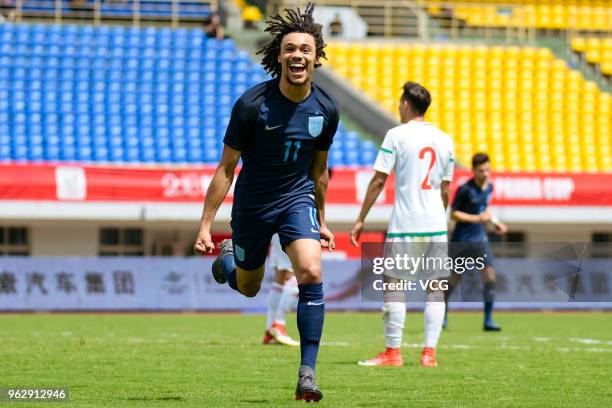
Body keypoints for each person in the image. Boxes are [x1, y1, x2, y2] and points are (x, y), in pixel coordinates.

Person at [193, 3, 338, 403]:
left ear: (315, 57)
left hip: (296, 199)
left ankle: (307, 374)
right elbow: (226, 167)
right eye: (290, 48)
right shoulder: (252, 104)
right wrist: (206, 224)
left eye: (305, 50)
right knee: (249, 287)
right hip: (253, 206)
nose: (297, 55)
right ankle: (228, 262)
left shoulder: (327, 109)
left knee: (310, 270)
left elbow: (320, 171)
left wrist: (322, 220)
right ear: (279, 55)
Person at [350, 82, 455, 368]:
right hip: (435, 224)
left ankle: (393, 353)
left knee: (394, 285)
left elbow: (379, 180)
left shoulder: (396, 135)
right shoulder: (445, 140)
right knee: (435, 288)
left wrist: (361, 219)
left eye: (399, 102)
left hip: (406, 224)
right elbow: (446, 189)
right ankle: (429, 354)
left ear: (406, 104)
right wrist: (439, 217)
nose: (398, 106)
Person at [445, 152, 507, 331]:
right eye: (481, 171)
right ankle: (443, 315)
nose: (485, 174)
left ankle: (488, 320)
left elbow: (484, 210)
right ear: (473, 170)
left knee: (489, 275)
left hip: (480, 239)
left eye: (487, 170)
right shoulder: (465, 189)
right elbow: (453, 213)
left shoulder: (489, 188)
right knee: (454, 279)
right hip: (462, 240)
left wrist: (495, 223)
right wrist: (477, 219)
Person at [263, 233, 300, 347]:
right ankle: (278, 325)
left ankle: (270, 331)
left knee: (281, 278)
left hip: (276, 230)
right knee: (297, 274)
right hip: (288, 226)